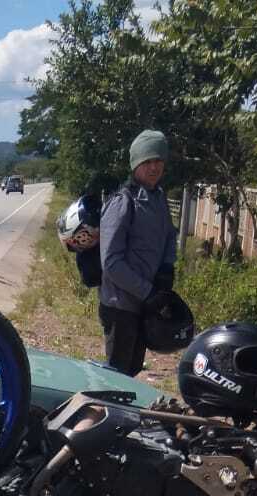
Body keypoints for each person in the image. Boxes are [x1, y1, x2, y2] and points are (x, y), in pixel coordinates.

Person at [98, 130, 178, 376]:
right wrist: (148, 292)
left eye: (159, 161)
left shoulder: (158, 198)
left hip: (145, 304)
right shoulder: (123, 202)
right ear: (136, 164)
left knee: (132, 371)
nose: (154, 167)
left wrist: (166, 267)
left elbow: (169, 236)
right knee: (117, 375)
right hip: (120, 305)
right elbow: (111, 262)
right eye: (148, 161)